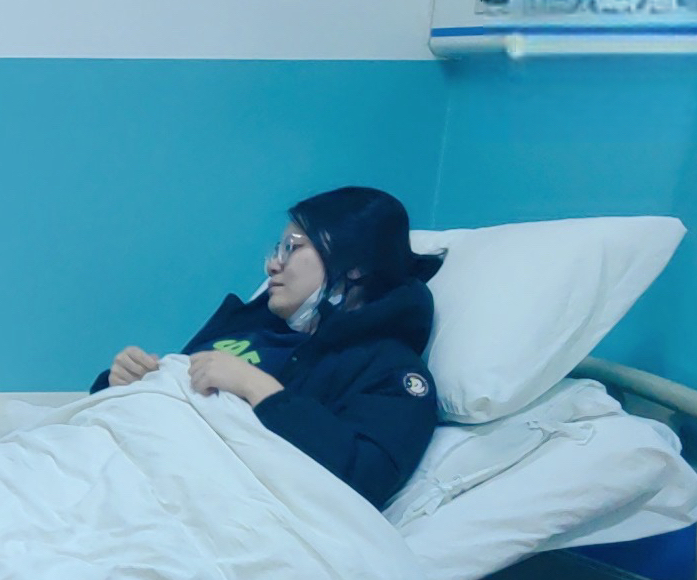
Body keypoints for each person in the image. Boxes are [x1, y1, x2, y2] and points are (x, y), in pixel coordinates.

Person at [93, 186, 444, 507]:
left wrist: (257, 387)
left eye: (293, 247)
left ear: (356, 264)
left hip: (191, 497)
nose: (273, 265)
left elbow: (366, 477)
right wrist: (121, 381)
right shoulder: (250, 322)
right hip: (114, 459)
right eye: (278, 249)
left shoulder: (389, 370)